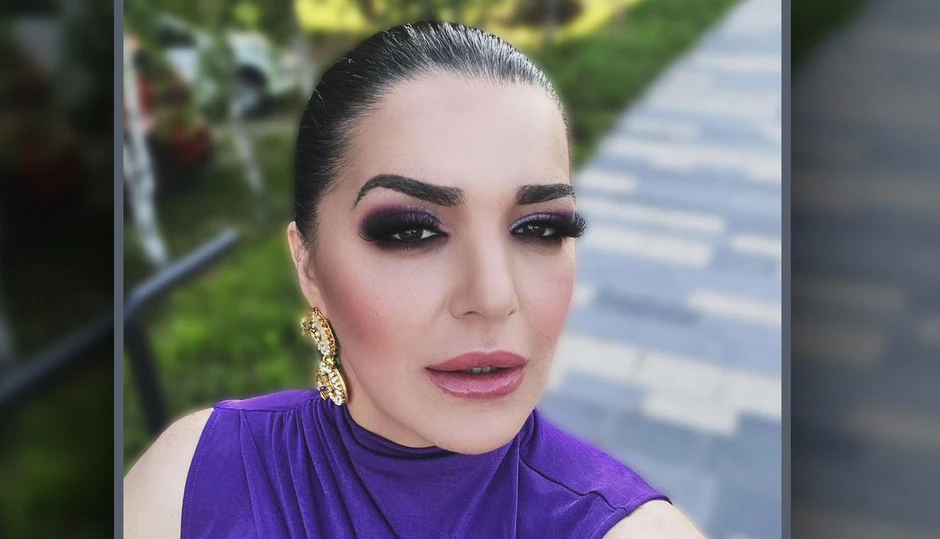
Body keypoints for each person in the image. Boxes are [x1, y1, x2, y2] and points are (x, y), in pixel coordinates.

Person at [124, 21, 705, 539]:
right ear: (308, 265)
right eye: (412, 232)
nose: (493, 297)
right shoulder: (189, 480)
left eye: (539, 229)